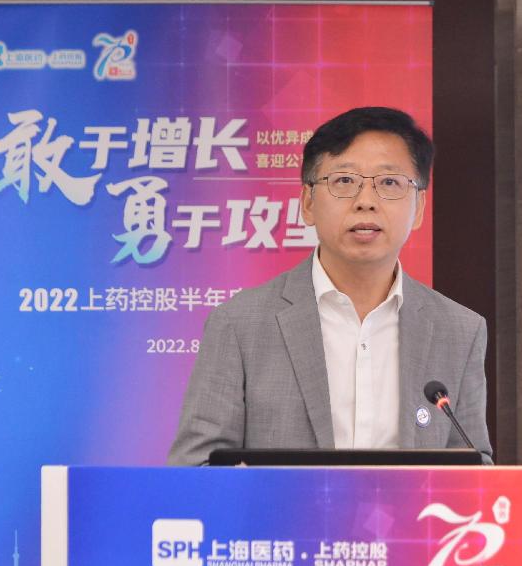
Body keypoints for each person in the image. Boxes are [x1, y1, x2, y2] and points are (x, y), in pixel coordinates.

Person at [167, 107, 492, 465]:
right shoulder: (240, 325)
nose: (365, 202)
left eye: (389, 183)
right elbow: (195, 469)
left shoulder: (460, 331)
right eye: (344, 181)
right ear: (308, 202)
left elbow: (476, 471)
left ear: (419, 207)